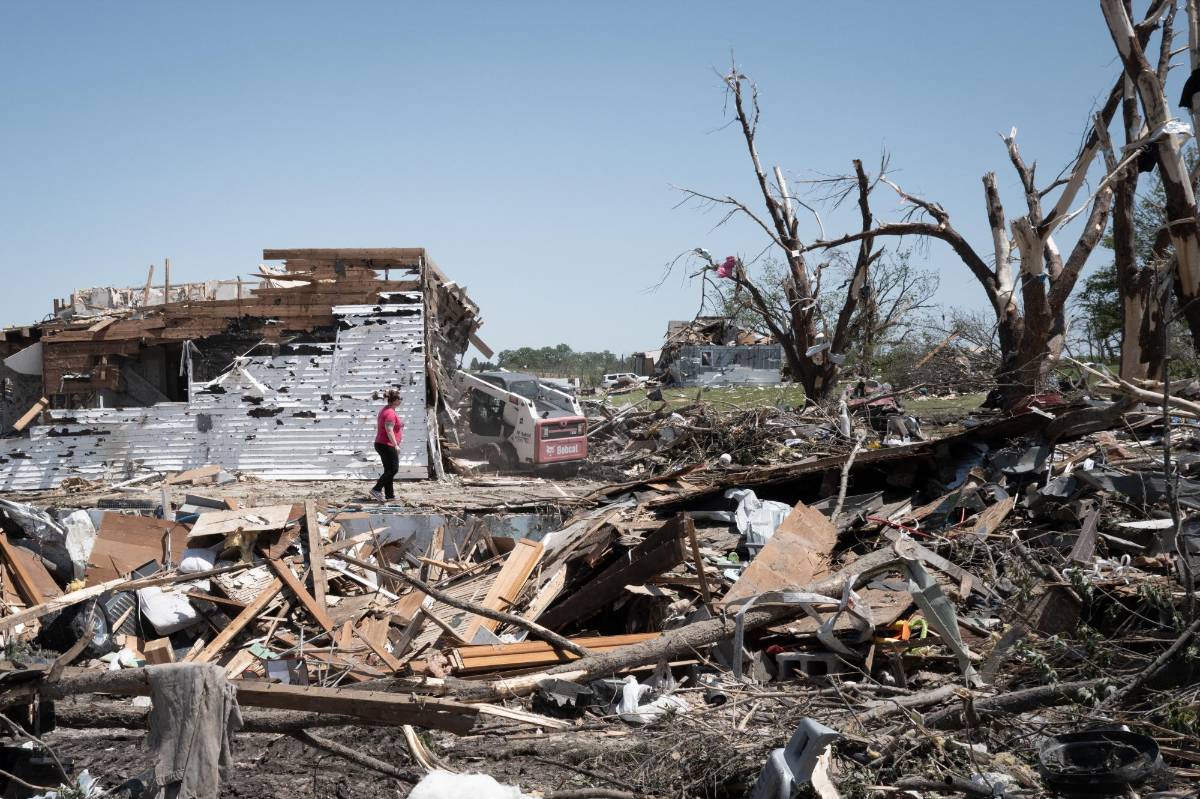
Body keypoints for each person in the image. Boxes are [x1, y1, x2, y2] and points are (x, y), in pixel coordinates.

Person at [369, 389, 405, 502]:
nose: (401, 401)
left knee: (388, 470)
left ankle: (390, 495)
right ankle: (376, 489)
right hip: (386, 444)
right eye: (400, 399)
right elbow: (389, 430)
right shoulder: (389, 412)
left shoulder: (386, 410)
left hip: (382, 443)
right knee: (393, 469)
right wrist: (396, 445)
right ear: (395, 400)